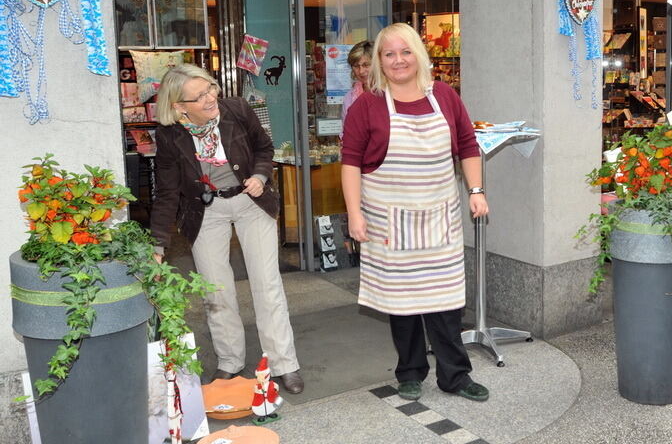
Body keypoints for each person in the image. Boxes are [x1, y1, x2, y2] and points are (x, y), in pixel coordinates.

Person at [341, 23, 490, 403]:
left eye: (405, 51)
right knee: (401, 302)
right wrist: (354, 214)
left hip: (439, 216)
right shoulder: (367, 105)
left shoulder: (444, 95)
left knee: (445, 303)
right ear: (379, 61)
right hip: (387, 218)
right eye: (389, 54)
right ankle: (409, 372)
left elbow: (467, 145)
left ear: (418, 54)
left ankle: (455, 376)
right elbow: (351, 164)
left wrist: (476, 191)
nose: (398, 60)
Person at [150, 64, 303, 393]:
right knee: (215, 290)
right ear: (179, 107)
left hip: (251, 203)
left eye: (210, 89)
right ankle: (230, 361)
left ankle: (284, 363)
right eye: (200, 96)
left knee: (267, 284)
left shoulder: (236, 109)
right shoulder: (169, 135)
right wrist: (158, 245)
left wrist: (260, 176)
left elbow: (265, 148)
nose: (210, 98)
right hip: (206, 211)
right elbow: (165, 193)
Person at [340, 40, 373, 131]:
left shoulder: (391, 93)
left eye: (366, 65)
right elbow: (345, 131)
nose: (361, 71)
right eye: (356, 66)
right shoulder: (349, 98)